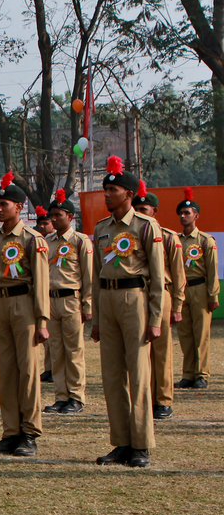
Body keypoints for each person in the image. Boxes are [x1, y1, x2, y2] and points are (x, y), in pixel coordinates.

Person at [91, 156, 165, 468]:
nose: (107, 194)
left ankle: (141, 444)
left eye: (114, 190)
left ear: (129, 195)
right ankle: (121, 442)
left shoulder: (146, 226)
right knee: (111, 376)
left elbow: (159, 277)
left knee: (138, 373)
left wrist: (156, 318)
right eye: (106, 190)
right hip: (107, 300)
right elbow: (96, 274)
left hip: (135, 298)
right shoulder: (101, 229)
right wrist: (95, 318)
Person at [0, 173, 49, 457]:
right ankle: (10, 431)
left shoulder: (32, 239)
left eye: (4, 204)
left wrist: (42, 320)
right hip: (3, 307)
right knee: (7, 372)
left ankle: (29, 432)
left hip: (25, 305)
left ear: (19, 208)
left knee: (29, 372)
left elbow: (42, 281)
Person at [133, 184, 185, 419]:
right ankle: (144, 397)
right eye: (136, 208)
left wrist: (178, 305)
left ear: (155, 211)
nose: (140, 212)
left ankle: (163, 400)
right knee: (139, 349)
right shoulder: (127, 236)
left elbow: (178, 274)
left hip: (161, 294)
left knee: (161, 350)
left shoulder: (167, 237)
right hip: (135, 296)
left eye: (144, 209)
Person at [42, 189, 92, 415]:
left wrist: (88, 305)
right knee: (56, 351)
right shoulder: (47, 242)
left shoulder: (80, 241)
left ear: (70, 217)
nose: (53, 219)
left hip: (71, 299)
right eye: (52, 215)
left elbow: (88, 275)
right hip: (51, 301)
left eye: (58, 215)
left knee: (74, 351)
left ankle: (76, 396)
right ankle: (61, 396)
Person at [175, 189, 219, 389]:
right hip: (182, 291)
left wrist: (213, 295)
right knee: (185, 334)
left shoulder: (204, 240)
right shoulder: (175, 240)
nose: (183, 216)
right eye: (181, 213)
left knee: (201, 334)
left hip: (200, 289)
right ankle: (188, 374)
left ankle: (202, 374)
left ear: (196, 215)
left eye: (188, 213)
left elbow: (212, 270)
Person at [36, 207, 55, 382]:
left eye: (45, 223)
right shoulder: (40, 241)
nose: (42, 226)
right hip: (46, 292)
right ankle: (49, 367)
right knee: (47, 336)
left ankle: (55, 368)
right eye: (40, 224)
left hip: (60, 293)